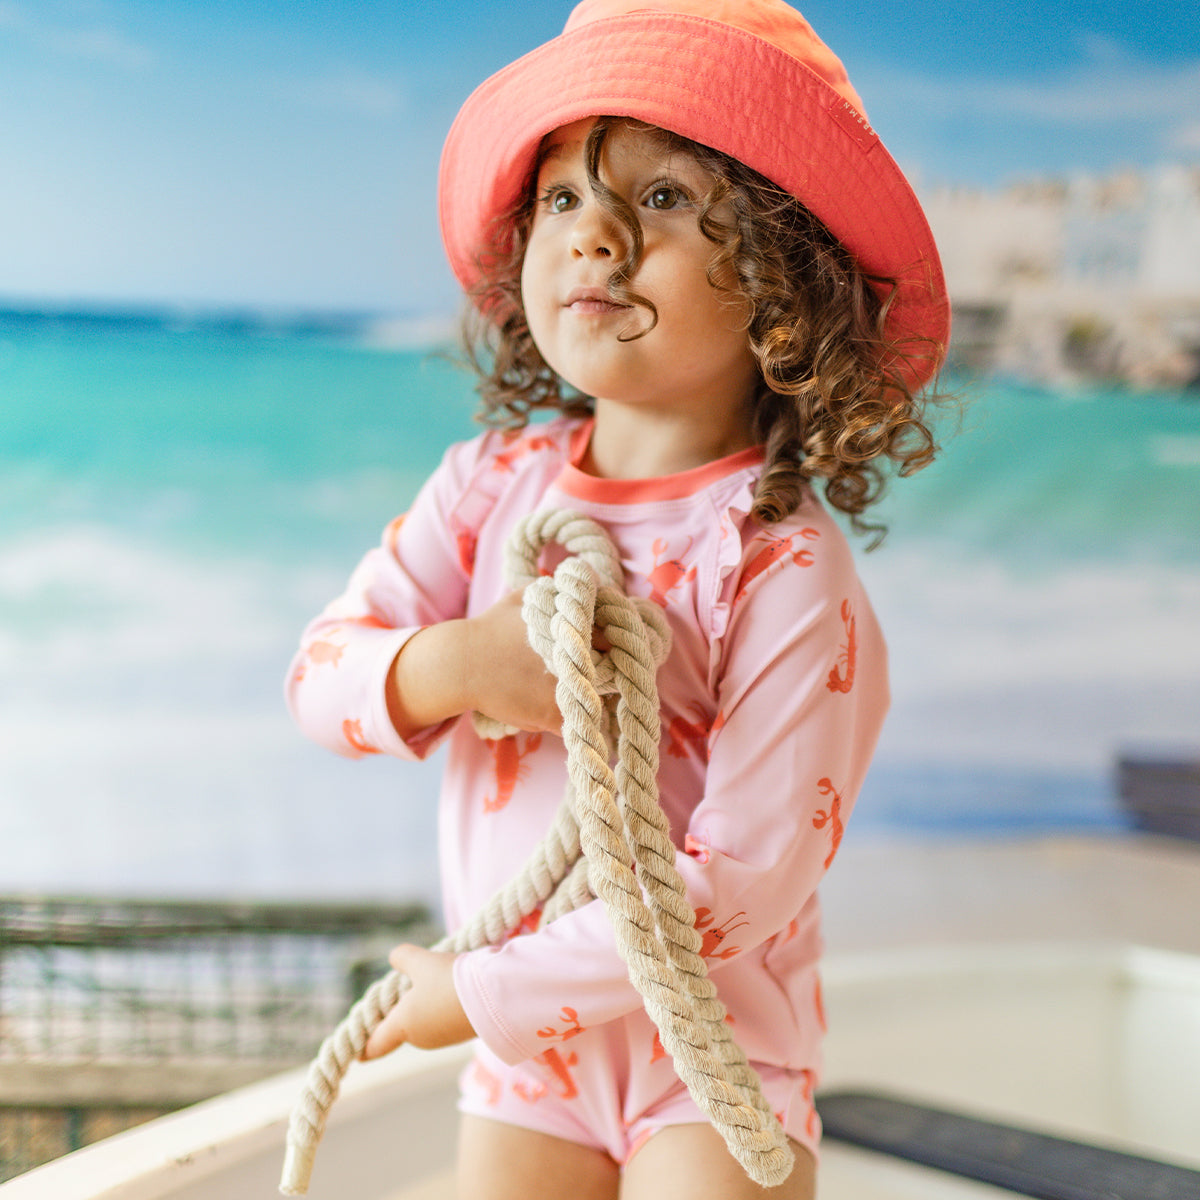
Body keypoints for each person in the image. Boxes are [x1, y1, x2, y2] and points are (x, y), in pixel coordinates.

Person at [285, 1, 950, 1196]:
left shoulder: (781, 566)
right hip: (532, 1056)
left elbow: (740, 885)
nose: (594, 233)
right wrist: (457, 667)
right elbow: (320, 679)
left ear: (786, 284)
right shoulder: (487, 494)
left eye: (661, 199)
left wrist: (477, 991)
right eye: (560, 199)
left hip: (711, 1051)